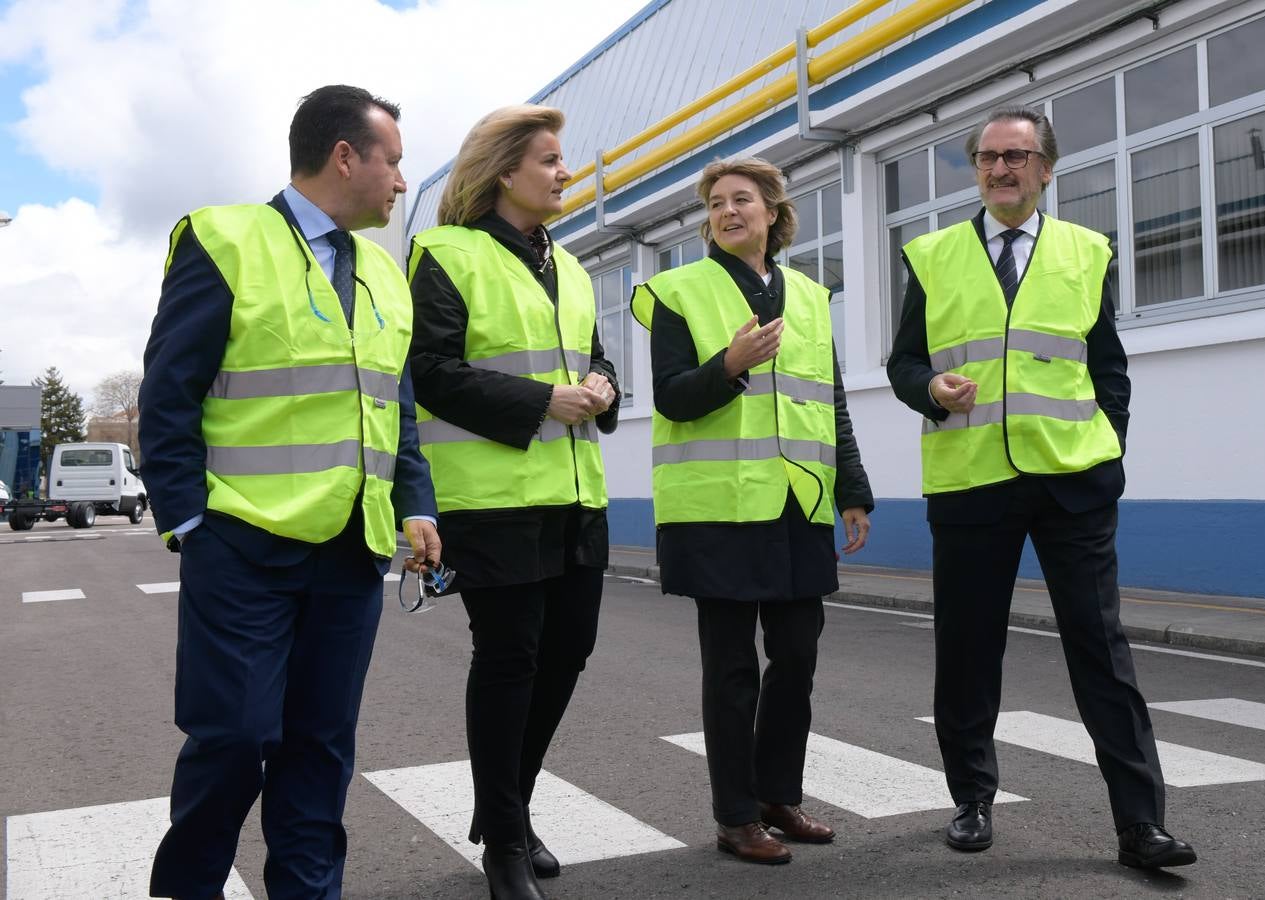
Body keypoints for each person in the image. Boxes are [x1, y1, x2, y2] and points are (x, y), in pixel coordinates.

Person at [138, 84, 441, 899]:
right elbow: (169, 396)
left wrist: (416, 503)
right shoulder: (224, 238)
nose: (401, 183)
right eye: (395, 162)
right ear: (346, 156)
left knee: (320, 746)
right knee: (233, 737)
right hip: (241, 547)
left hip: (351, 553)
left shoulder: (384, 272)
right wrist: (190, 524)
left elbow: (395, 409)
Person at [886, 106, 1196, 869]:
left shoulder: (1088, 252)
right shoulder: (931, 255)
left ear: (1046, 169)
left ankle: (1139, 826)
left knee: (1101, 651)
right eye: (988, 157)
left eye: (1017, 156)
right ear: (977, 170)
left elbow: (1108, 366)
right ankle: (971, 800)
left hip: (1072, 484)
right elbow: (903, 365)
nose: (1001, 169)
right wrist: (932, 389)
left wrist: (1108, 453)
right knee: (967, 651)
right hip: (970, 484)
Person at [631, 157, 873, 866]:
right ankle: (735, 816)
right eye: (716, 204)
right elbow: (672, 395)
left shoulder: (805, 293)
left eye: (742, 200)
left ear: (773, 211)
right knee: (732, 667)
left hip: (799, 502)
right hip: (718, 510)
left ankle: (777, 796)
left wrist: (852, 489)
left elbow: (827, 399)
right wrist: (728, 365)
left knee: (797, 656)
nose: (728, 212)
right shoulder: (678, 290)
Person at [407, 104, 618, 900]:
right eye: (552, 161)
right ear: (505, 171)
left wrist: (604, 385)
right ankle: (504, 842)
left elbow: (591, 359)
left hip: (574, 494)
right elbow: (426, 370)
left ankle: (507, 807)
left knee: (569, 653)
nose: (566, 173)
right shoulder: (444, 253)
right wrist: (541, 400)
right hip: (490, 501)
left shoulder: (573, 265)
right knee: (510, 661)